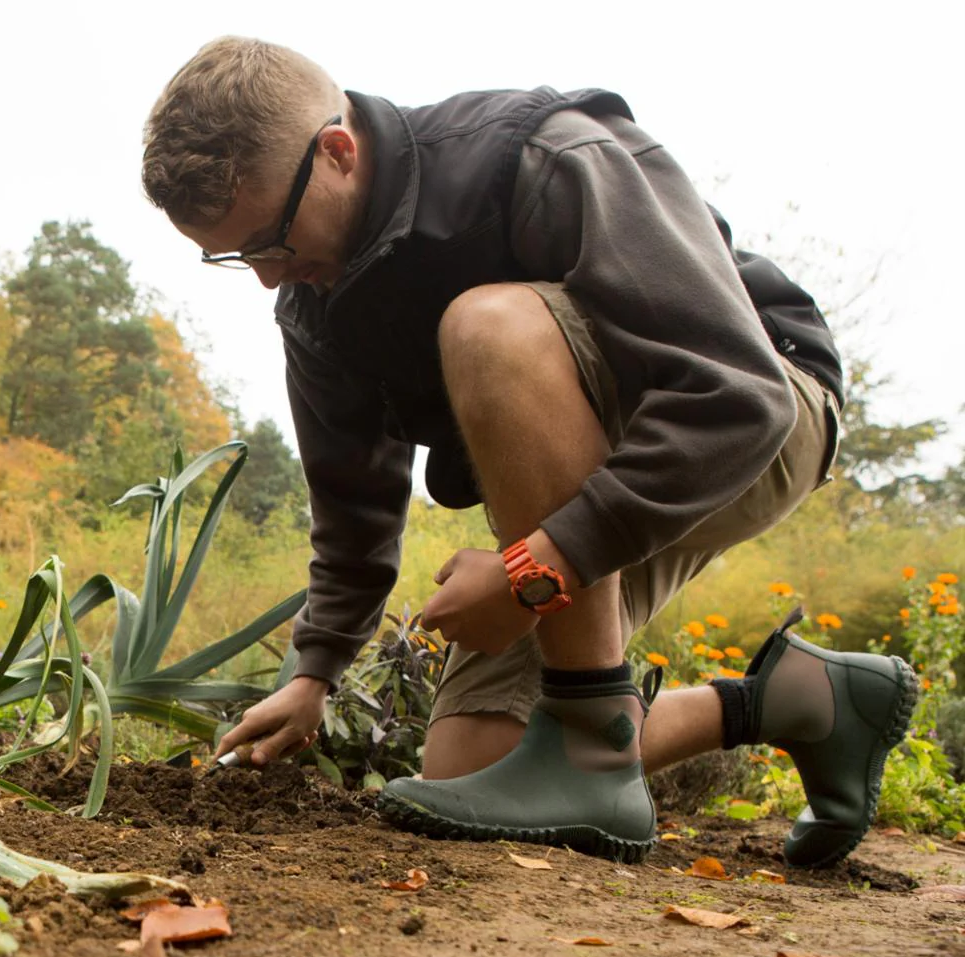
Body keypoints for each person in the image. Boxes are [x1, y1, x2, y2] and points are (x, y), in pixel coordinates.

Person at [142, 36, 917, 868]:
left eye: (271, 239)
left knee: (489, 327)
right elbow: (353, 508)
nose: (267, 277)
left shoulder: (537, 158)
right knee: (475, 769)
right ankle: (800, 701)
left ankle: (588, 729)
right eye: (236, 256)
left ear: (338, 150)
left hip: (763, 417)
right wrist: (314, 673)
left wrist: (535, 570)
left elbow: (739, 396)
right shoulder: (314, 300)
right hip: (608, 476)